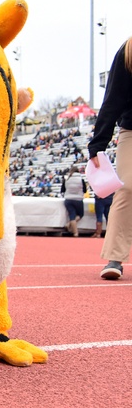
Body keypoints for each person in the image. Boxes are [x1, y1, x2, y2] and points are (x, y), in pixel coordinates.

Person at [87, 35, 132, 280]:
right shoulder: (129, 51)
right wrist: (98, 144)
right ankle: (115, 257)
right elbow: (112, 100)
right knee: (127, 190)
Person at [60, 164, 87, 236]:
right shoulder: (81, 179)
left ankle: (75, 232)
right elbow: (85, 190)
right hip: (78, 199)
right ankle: (72, 228)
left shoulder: (66, 179)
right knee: (80, 214)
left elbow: (62, 190)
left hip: (68, 199)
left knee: (72, 215)